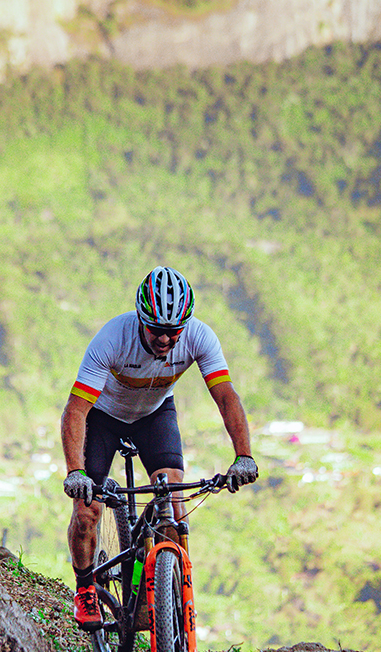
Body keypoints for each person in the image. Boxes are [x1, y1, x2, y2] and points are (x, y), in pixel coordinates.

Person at [61, 266, 258, 629]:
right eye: (157, 330)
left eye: (174, 331)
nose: (166, 340)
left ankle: (170, 596)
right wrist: (75, 472)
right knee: (88, 510)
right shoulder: (112, 339)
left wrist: (243, 454)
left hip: (154, 415)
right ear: (140, 318)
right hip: (102, 418)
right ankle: (85, 587)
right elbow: (76, 409)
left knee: (174, 508)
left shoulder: (199, 337)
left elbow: (226, 397)